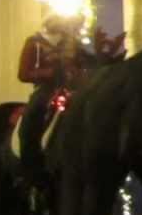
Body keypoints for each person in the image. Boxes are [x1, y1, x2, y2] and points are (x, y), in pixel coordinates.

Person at [17, 12, 89, 173]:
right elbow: (23, 74)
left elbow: (84, 66)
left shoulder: (73, 44)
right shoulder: (34, 43)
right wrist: (49, 72)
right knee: (34, 110)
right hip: (47, 89)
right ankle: (30, 163)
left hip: (73, 89)